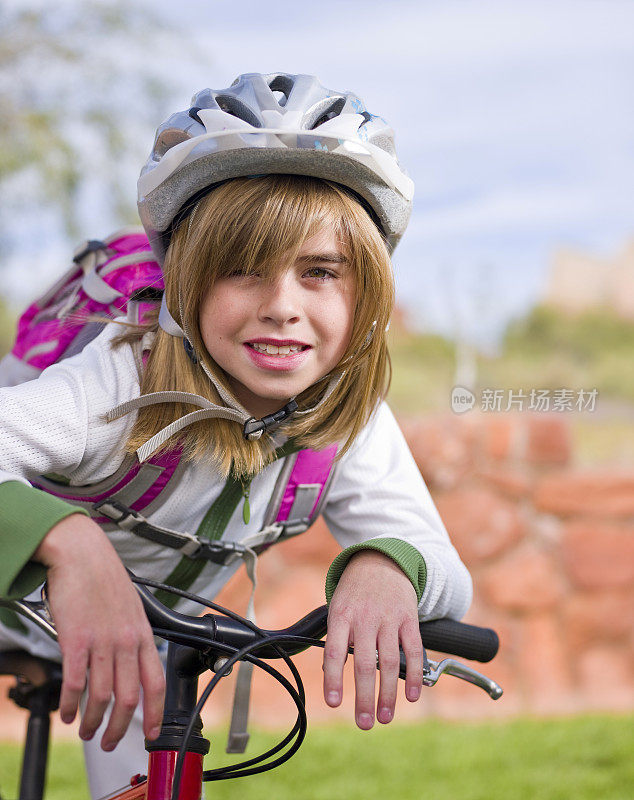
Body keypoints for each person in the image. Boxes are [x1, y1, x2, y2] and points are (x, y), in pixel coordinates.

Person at [0, 72, 472, 797]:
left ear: (366, 294)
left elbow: (444, 567)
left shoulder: (344, 417)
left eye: (320, 272)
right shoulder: (122, 379)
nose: (282, 307)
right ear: (186, 282)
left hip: (149, 645)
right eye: (241, 271)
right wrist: (70, 543)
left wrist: (388, 567)